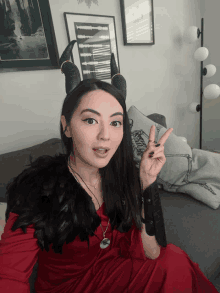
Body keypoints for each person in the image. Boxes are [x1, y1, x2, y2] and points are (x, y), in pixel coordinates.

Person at [0, 40, 218, 293]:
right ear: (66, 126)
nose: (105, 135)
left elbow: (152, 252)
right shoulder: (38, 189)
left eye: (116, 123)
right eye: (90, 120)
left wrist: (147, 183)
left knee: (173, 260)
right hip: (68, 287)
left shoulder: (120, 177)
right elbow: (9, 275)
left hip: (110, 269)